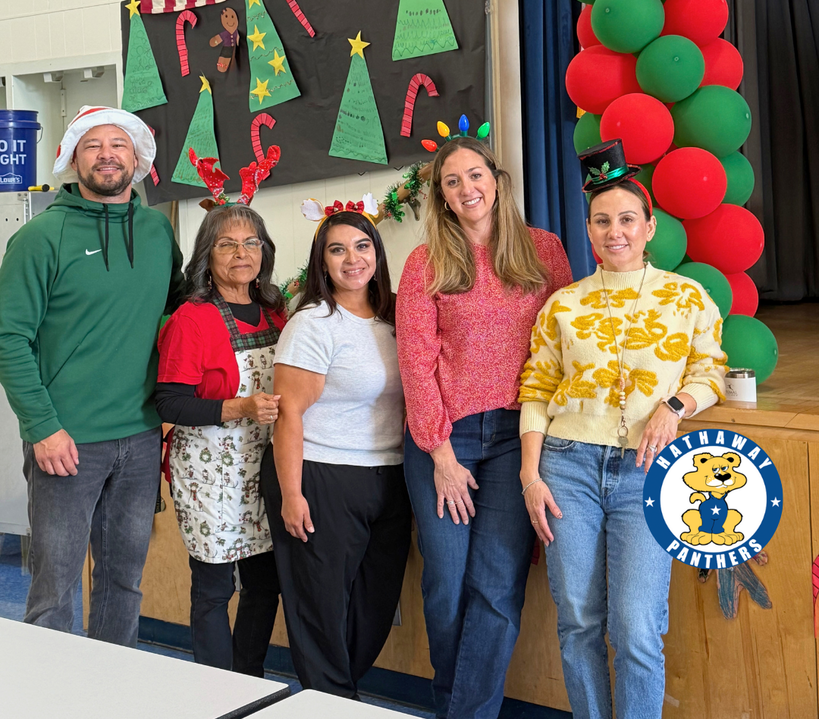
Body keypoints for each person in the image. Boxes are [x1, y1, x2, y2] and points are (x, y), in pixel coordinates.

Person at [518, 138, 727, 719]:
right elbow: (536, 389)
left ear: (649, 227)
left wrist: (674, 406)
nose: (616, 232)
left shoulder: (687, 296)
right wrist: (531, 476)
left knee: (636, 627)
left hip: (646, 472)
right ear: (589, 230)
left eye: (628, 219)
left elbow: (711, 370)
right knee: (578, 620)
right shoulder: (563, 304)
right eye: (602, 221)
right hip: (566, 469)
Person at [395, 135, 572, 719]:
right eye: (452, 182)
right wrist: (441, 454)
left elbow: (562, 341)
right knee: (446, 586)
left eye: (475, 175)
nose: (466, 188)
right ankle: (459, 706)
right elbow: (415, 362)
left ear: (496, 180)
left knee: (497, 587)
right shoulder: (426, 263)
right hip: (444, 439)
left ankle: (464, 714)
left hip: (518, 439)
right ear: (442, 197)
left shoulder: (544, 250)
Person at [0, 105, 184, 645]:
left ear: (137, 157)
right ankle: (49, 689)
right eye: (93, 146)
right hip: (66, 440)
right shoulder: (40, 238)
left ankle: (114, 685)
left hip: (141, 436)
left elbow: (178, 311)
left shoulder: (156, 231)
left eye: (118, 145)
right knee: (54, 592)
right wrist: (42, 428)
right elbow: (8, 338)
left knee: (123, 585)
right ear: (73, 158)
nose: (107, 155)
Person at [261, 203, 411, 699]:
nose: (352, 259)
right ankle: (333, 703)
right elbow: (289, 414)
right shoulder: (314, 323)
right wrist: (291, 494)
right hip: (320, 475)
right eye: (337, 250)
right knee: (321, 611)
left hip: (388, 475)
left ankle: (332, 696)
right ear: (321, 262)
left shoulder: (394, 317)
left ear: (377, 253)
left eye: (362, 246)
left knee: (374, 606)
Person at [156, 199, 286, 677]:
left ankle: (247, 681)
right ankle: (214, 692)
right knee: (214, 589)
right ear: (206, 255)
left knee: (265, 582)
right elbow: (169, 403)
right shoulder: (192, 318)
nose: (241, 253)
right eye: (226, 244)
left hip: (266, 468)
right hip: (210, 475)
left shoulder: (276, 311)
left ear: (264, 251)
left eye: (251, 243)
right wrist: (241, 407)